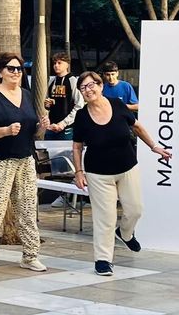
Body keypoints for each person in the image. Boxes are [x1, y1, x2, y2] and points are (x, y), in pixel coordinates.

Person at [71, 70, 170, 275]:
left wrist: (154, 147)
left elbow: (137, 127)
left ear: (100, 86)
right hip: (98, 173)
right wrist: (79, 172)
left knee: (135, 209)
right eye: (83, 88)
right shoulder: (81, 116)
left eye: (91, 85)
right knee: (104, 218)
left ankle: (125, 233)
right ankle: (103, 260)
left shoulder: (117, 104)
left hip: (127, 167)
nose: (88, 90)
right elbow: (77, 146)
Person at [0, 51, 49, 273]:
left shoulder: (26, 95)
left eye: (19, 69)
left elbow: (32, 131)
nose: (16, 72)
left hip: (25, 159)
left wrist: (42, 126)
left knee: (26, 208)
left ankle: (30, 255)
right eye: (10, 69)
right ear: (0, 72)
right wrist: (5, 131)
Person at [43, 52, 83, 140]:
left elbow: (79, 105)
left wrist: (63, 123)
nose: (56, 65)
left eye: (59, 63)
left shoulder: (73, 81)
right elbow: (48, 103)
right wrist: (47, 105)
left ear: (67, 65)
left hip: (67, 128)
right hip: (51, 127)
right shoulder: (51, 81)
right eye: (54, 63)